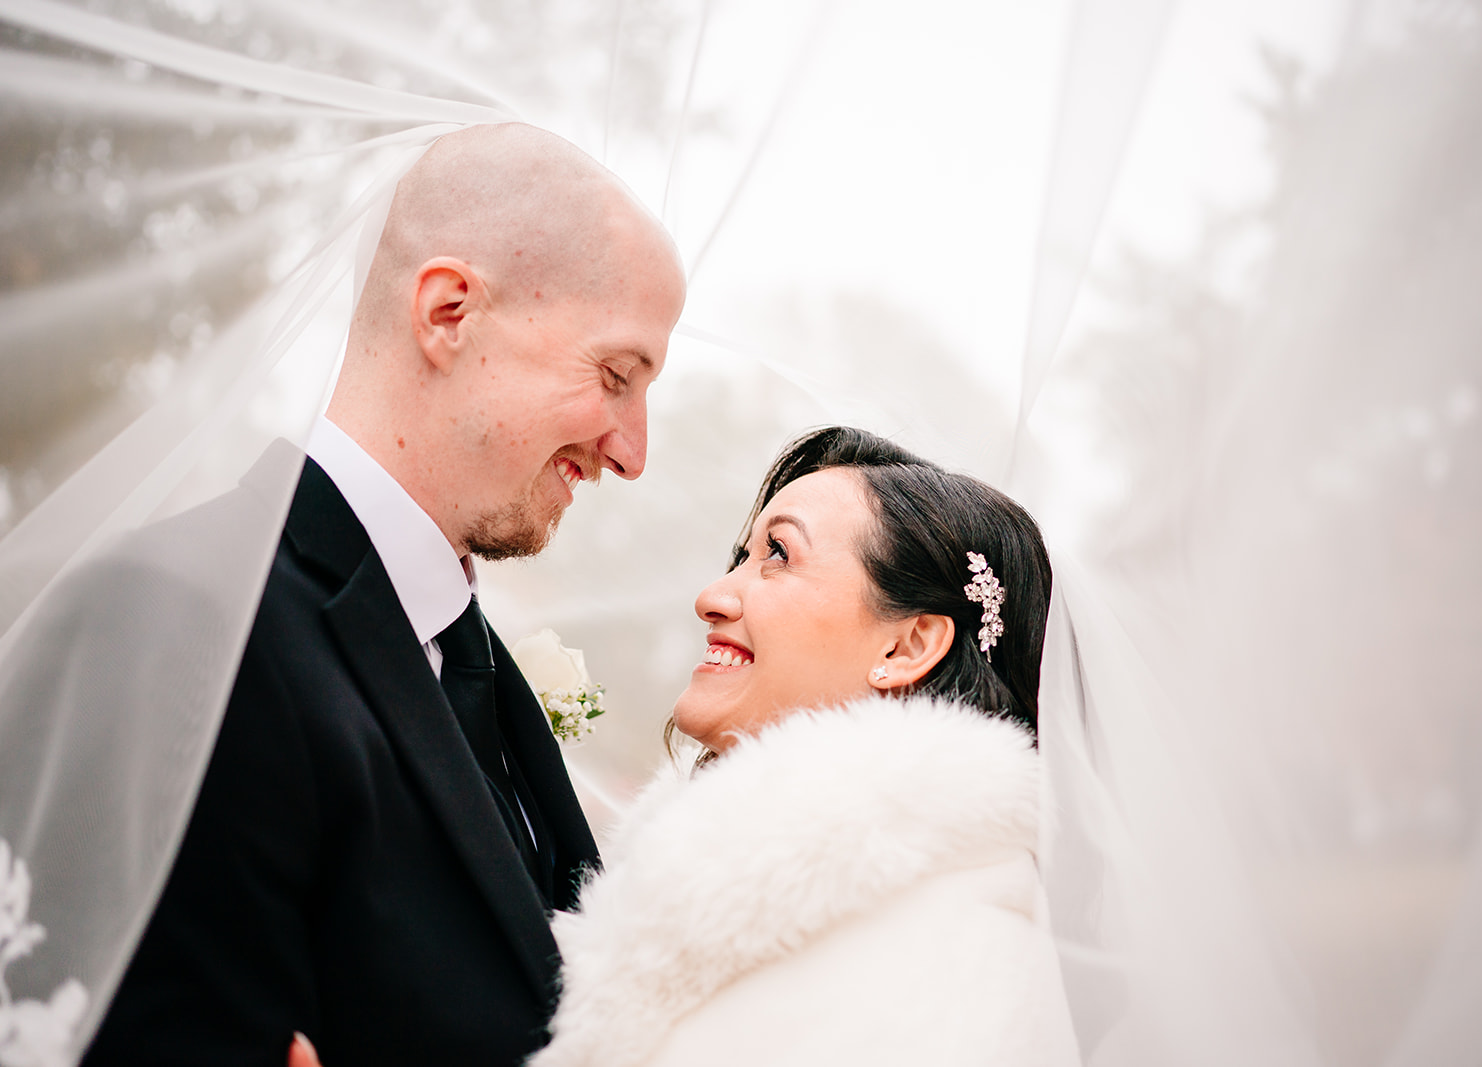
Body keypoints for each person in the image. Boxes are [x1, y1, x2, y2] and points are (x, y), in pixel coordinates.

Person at [79, 123, 687, 1066]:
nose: (632, 451)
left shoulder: (480, 669)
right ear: (447, 312)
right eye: (615, 376)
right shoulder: (192, 616)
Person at [529, 426, 1079, 1067]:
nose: (713, 596)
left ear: (906, 647)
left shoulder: (965, 970)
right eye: (740, 555)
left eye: (780, 555)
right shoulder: (704, 888)